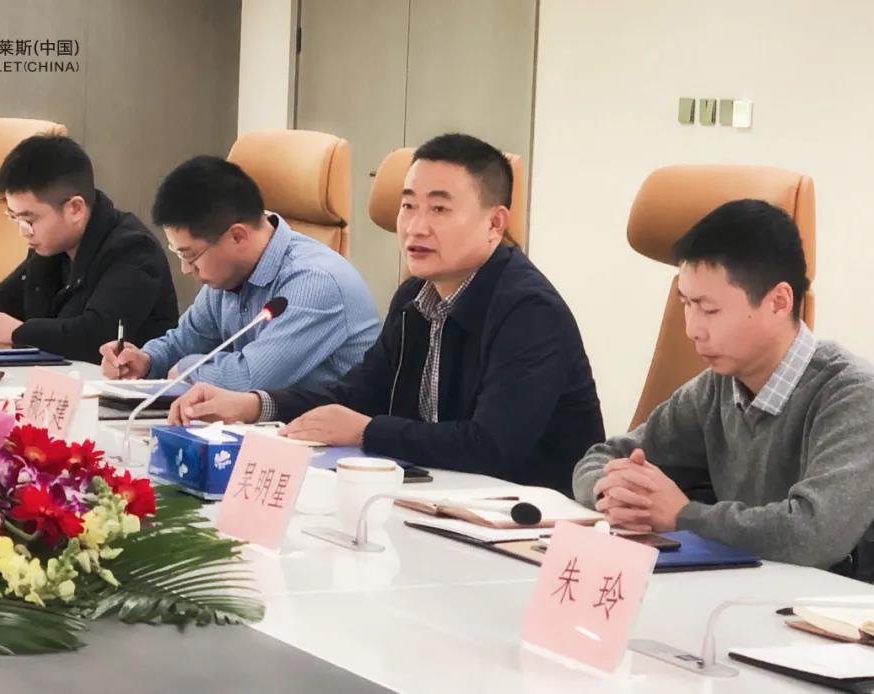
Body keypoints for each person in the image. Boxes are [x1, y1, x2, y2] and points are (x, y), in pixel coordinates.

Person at [167, 134, 604, 492]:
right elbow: (358, 393)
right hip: (433, 499)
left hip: (524, 524)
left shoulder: (528, 310)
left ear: (495, 223)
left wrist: (365, 431)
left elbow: (491, 446)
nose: (416, 226)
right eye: (408, 206)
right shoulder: (415, 296)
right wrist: (253, 405)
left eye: (439, 209)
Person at [572, 199, 874, 574]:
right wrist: (614, 493)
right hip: (750, 592)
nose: (692, 329)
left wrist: (682, 516)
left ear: (778, 302)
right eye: (686, 304)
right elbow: (601, 457)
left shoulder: (854, 397)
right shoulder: (717, 388)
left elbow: (811, 536)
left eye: (710, 309)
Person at [99, 156, 380, 392]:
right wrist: (145, 360)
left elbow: (249, 379)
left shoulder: (315, 282)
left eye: (190, 255)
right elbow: (183, 341)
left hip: (329, 437)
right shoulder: (228, 278)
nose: (186, 269)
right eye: (179, 254)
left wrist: (184, 369)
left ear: (237, 237)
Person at [0, 134, 178, 363]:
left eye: (29, 220)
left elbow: (96, 336)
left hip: (121, 388)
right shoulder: (53, 245)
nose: (23, 231)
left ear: (75, 208)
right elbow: (7, 297)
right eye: (14, 217)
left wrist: (19, 333)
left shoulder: (134, 250)